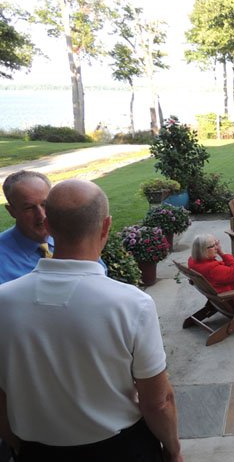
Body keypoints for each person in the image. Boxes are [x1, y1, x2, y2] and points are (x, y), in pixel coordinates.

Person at [0, 179, 182, 461]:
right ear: (106, 226)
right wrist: (173, 449)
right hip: (120, 449)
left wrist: (18, 445)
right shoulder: (132, 304)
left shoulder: (4, 299)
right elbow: (158, 402)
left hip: (37, 450)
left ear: (47, 225)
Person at [0, 170, 52, 284]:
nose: (42, 215)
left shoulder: (72, 237)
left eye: (45, 204)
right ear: (11, 211)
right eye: (29, 208)